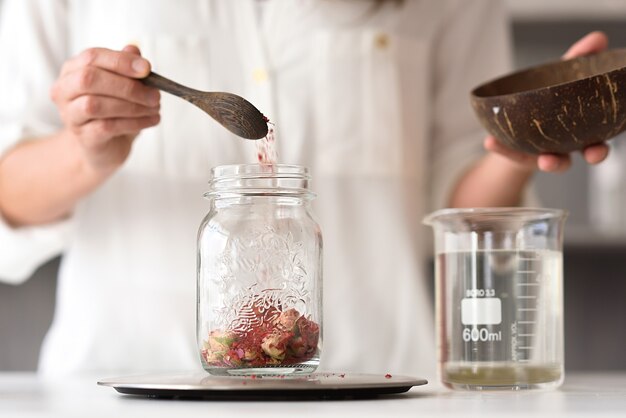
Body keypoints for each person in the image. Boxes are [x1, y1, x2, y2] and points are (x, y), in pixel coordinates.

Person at [0, 0, 609, 378]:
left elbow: (457, 206)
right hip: (121, 384)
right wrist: (85, 148)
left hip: (376, 383)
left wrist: (523, 140)